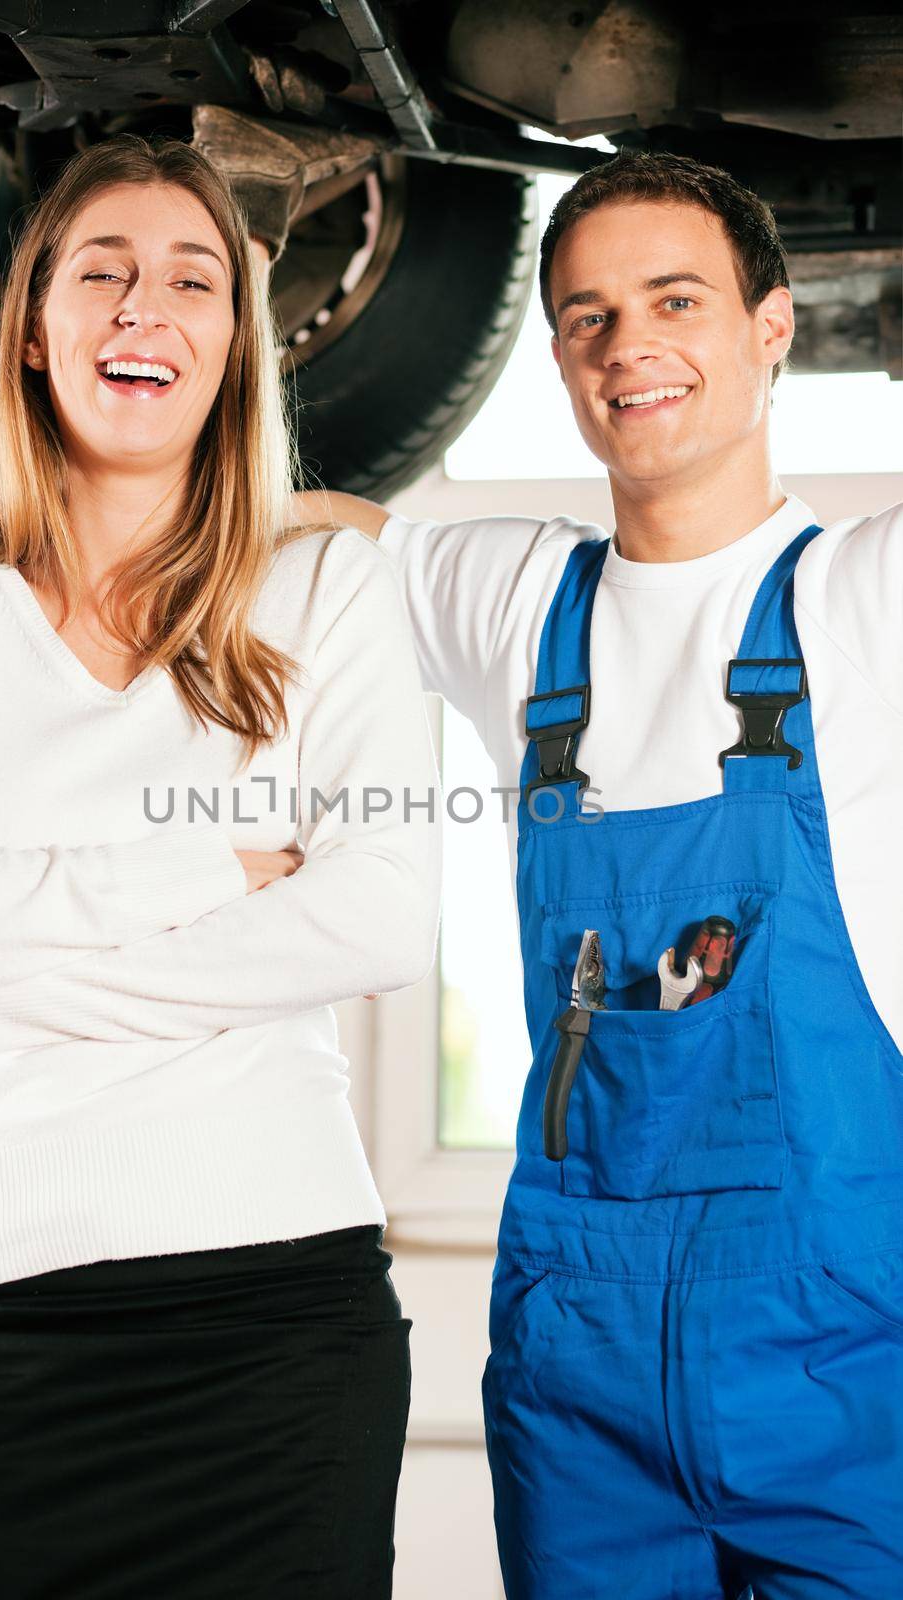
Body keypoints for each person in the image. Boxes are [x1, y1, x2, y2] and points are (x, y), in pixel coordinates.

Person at [0, 132, 441, 1599]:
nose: (140, 311)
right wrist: (211, 872)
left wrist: (5, 960)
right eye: (99, 275)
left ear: (235, 347)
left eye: (191, 281)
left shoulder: (323, 586)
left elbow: (378, 917)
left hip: (276, 1315)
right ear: (32, 332)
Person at [297, 152, 903, 1598]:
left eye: (675, 300)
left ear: (774, 328)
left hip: (843, 1365)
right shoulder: (517, 602)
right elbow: (309, 534)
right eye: (587, 317)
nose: (627, 344)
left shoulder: (865, 597)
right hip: (581, 1377)